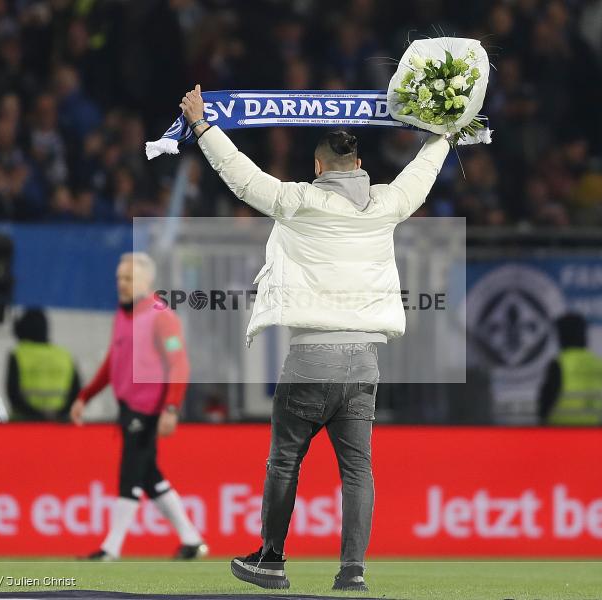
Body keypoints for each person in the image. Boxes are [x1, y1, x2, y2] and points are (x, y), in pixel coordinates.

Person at [180, 84, 452, 592]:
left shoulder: (297, 200)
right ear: (360, 162)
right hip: (365, 361)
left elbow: (240, 176)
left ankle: (271, 560)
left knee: (285, 458)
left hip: (310, 357)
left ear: (319, 166)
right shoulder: (386, 204)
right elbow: (423, 171)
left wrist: (201, 125)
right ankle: (352, 572)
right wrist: (447, 131)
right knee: (358, 470)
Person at [70, 252, 207, 560]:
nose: (121, 283)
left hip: (148, 408)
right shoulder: (123, 314)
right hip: (128, 406)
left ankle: (111, 548)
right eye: (119, 278)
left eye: (128, 278)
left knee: (130, 473)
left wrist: (171, 408)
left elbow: (179, 363)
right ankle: (192, 540)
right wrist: (86, 395)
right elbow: (113, 360)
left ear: (147, 281)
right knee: (149, 476)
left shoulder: (161, 316)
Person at [6, 307, 80, 421]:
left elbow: (13, 394)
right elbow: (77, 393)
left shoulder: (19, 354)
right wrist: (58, 415)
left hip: (24, 424)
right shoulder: (65, 356)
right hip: (59, 424)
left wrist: (37, 416)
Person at [537, 312, 602, 426]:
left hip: (562, 433)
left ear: (563, 335)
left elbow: (545, 403)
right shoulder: (598, 363)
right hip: (592, 431)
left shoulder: (560, 363)